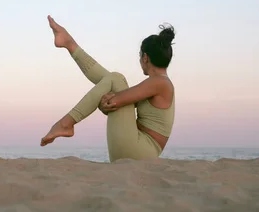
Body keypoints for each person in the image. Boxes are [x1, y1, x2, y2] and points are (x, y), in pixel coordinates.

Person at [40, 15, 176, 162]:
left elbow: (114, 101)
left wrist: (105, 103)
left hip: (140, 151)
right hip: (137, 149)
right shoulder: (159, 84)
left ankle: (65, 124)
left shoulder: (159, 83)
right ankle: (69, 44)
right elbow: (114, 99)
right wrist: (105, 103)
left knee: (115, 78)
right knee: (113, 79)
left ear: (145, 58)